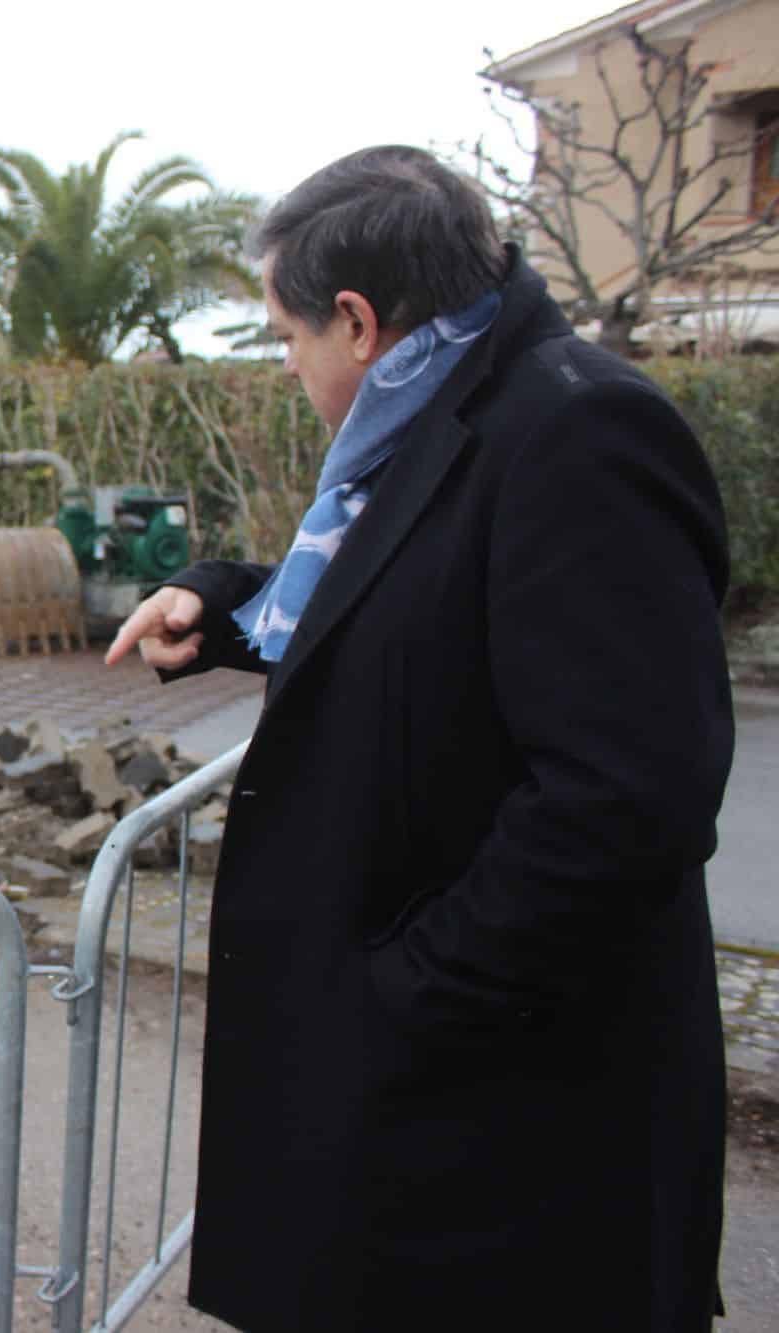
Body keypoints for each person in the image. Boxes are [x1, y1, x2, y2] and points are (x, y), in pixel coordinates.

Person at [104, 145, 734, 1331]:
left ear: (356, 322)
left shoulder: (578, 434)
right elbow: (406, 612)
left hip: (507, 1117)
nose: (288, 367)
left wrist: (403, 990)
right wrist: (220, 604)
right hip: (446, 1097)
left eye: (287, 339)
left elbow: (624, 797)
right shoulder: (453, 413)